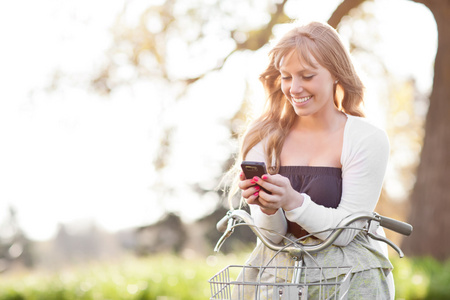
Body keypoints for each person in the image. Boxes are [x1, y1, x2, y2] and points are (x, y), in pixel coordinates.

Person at [227, 21, 394, 299]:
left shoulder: (365, 138)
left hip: (348, 282)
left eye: (307, 75)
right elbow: (273, 239)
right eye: (286, 76)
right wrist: (268, 209)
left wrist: (292, 201)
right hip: (280, 284)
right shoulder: (262, 139)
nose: (294, 88)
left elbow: (344, 233)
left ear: (336, 74)